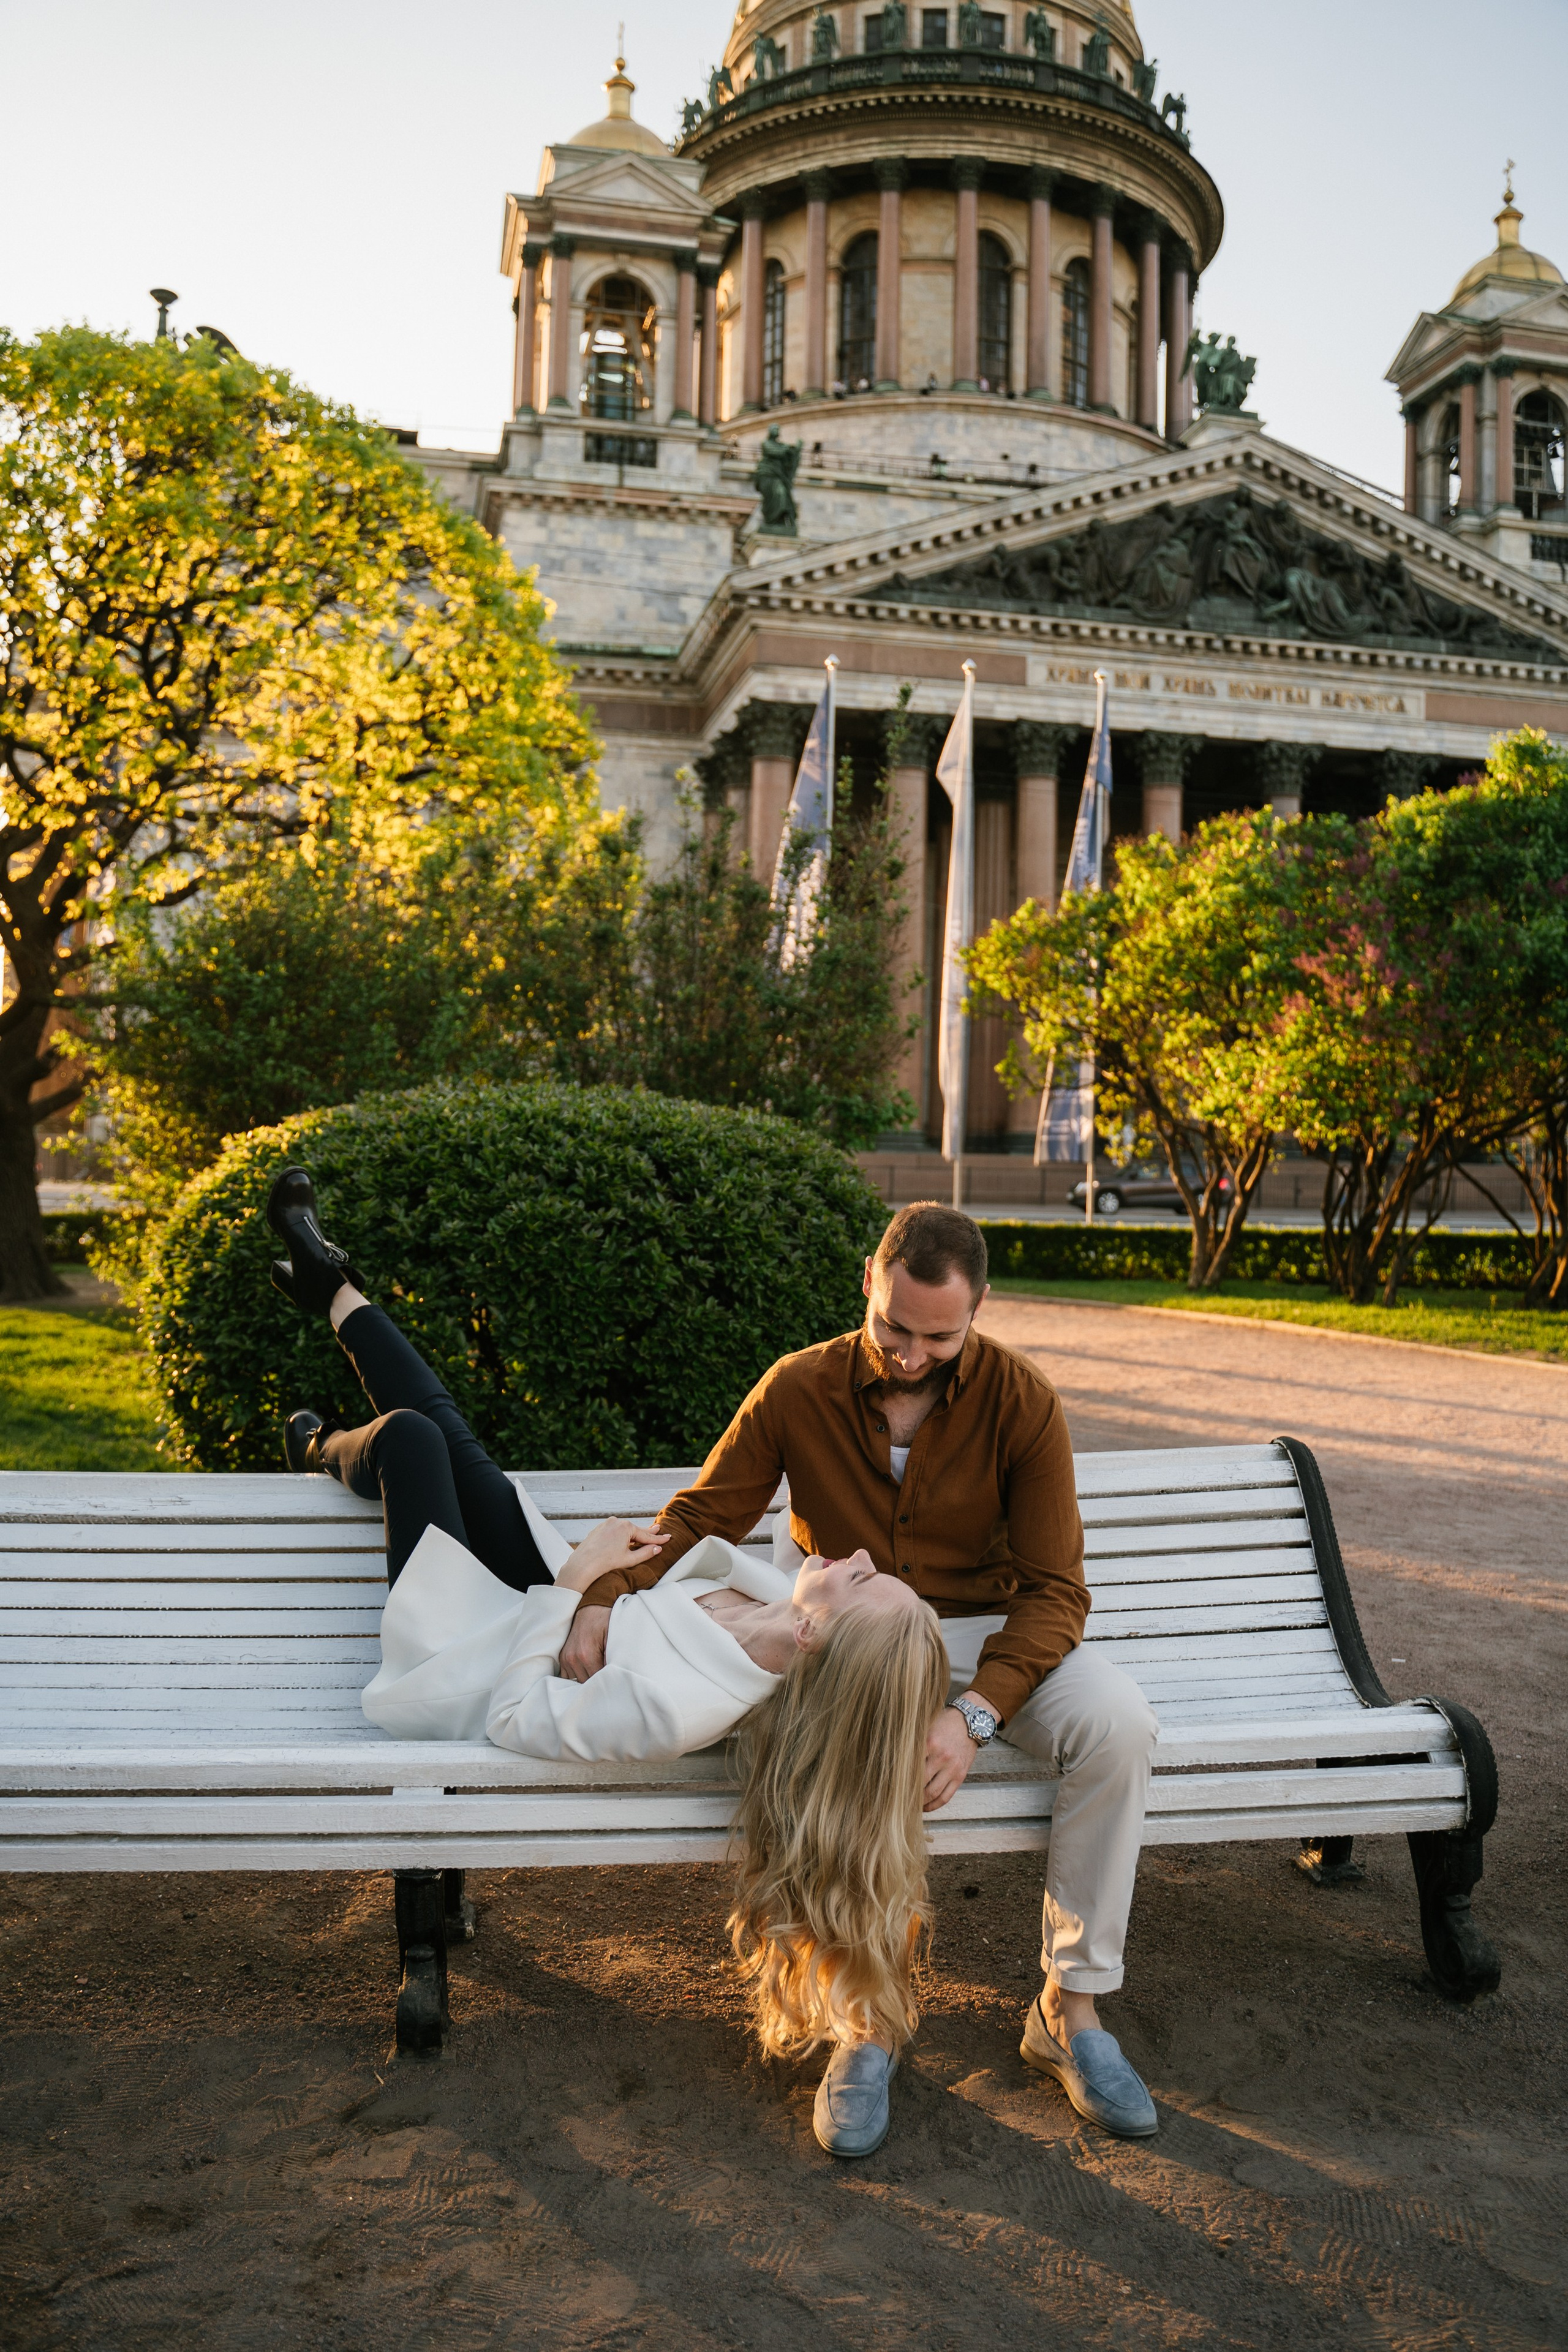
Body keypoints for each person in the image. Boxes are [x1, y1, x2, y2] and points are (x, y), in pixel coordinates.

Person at [265, 1166, 950, 2157]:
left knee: (413, 1445)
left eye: (855, 1581)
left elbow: (510, 1721)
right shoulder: (774, 1607)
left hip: (470, 1655)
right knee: (457, 1441)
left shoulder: (678, 1709)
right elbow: (701, 1547)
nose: (850, 1557)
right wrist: (598, 1584)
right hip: (541, 1597)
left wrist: (570, 1586)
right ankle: (330, 1282)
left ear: (816, 1641)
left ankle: (327, 1446)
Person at [560, 1199, 1161, 2142]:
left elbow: (1055, 1592)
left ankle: (1070, 2009)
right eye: (894, 1326)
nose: (912, 1354)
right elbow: (706, 1516)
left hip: (987, 1634)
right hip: (854, 1639)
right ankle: (864, 2023)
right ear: (867, 1285)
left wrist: (972, 1717)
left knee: (1119, 1724)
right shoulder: (797, 1387)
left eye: (940, 1336)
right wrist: (598, 1594)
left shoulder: (1024, 1401)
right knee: (847, 1754)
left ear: (980, 1310)